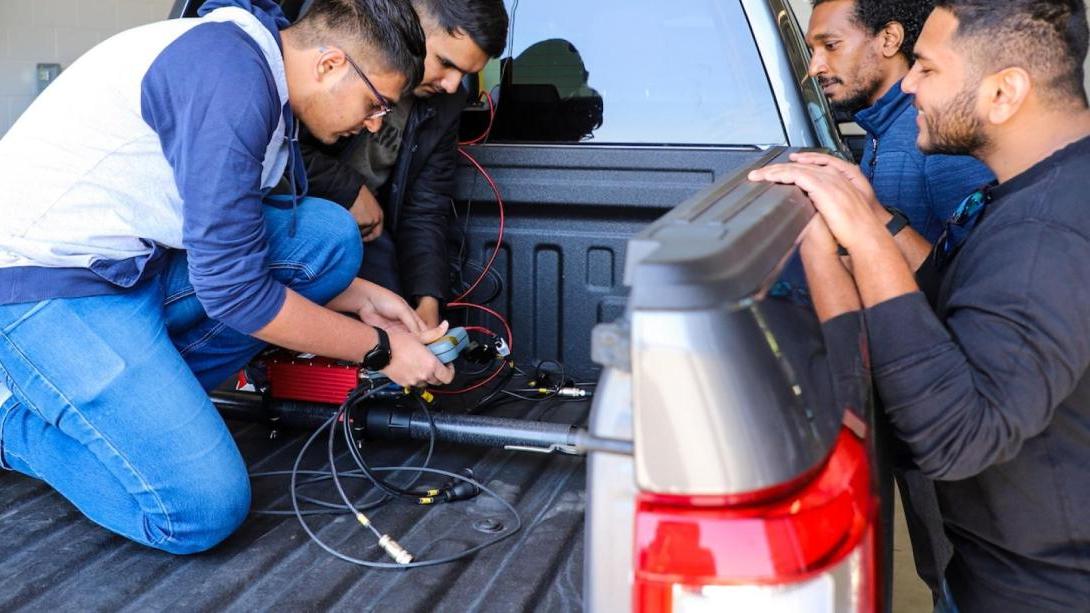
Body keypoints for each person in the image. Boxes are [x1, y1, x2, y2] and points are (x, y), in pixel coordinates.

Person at [0, 0, 454, 555]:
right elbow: (235, 291)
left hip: (136, 267)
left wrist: (360, 298)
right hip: (44, 288)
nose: (375, 122)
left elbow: (236, 246)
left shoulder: (260, 71)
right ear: (331, 64)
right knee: (202, 510)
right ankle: (11, 418)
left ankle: (143, 417)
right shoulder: (230, 81)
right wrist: (381, 350)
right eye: (375, 103)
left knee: (329, 239)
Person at [753, 0, 1090, 610]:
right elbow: (959, 297)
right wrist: (877, 219)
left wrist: (859, 237)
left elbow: (957, 440)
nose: (908, 81)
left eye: (928, 70)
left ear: (1004, 93)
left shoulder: (1048, 233)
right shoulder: (1044, 190)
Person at [805, 2, 994, 595]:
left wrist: (872, 226)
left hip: (955, 427)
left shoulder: (940, 147)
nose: (814, 66)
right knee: (941, 574)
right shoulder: (888, 136)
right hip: (915, 422)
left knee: (963, 580)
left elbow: (972, 284)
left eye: (830, 46)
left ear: (889, 39)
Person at [301, 0, 508, 327]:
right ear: (410, 24)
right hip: (301, 224)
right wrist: (347, 188)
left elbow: (425, 206)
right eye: (445, 63)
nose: (453, 85)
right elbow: (277, 151)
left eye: (466, 75)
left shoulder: (445, 101)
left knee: (398, 324)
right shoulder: (341, 57)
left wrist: (427, 300)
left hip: (372, 233)